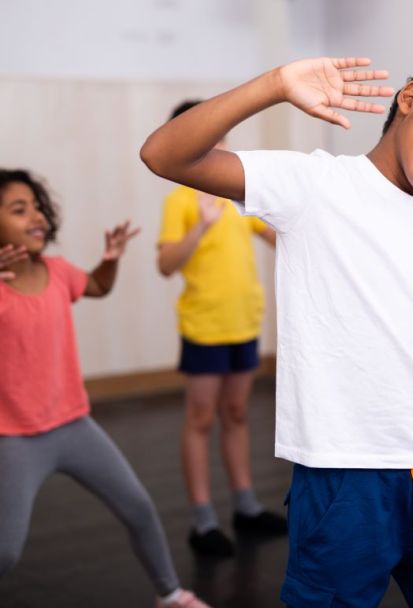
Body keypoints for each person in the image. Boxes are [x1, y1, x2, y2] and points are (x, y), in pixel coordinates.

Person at [141, 56, 413, 606]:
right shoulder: (313, 184)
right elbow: (164, 154)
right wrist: (275, 86)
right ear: (411, 98)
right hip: (341, 473)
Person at [0, 169, 209, 607]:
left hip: (74, 426)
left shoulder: (56, 272)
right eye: (19, 210)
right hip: (14, 438)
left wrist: (110, 258)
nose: (36, 215)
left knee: (139, 508)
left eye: (37, 206)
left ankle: (171, 595)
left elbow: (96, 285)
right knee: (6, 551)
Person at [157, 100, 285, 558]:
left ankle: (246, 507)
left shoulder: (238, 197)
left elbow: (275, 236)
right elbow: (165, 264)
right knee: (200, 419)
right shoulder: (181, 199)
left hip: (243, 322)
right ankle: (202, 520)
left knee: (235, 415)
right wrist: (200, 228)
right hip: (205, 326)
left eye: (222, 136)